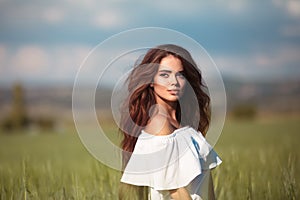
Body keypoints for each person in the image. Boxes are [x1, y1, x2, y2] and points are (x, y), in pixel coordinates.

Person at [119, 44, 222, 200]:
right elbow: (177, 191)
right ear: (151, 81)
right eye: (165, 75)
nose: (174, 81)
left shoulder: (183, 124)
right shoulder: (159, 124)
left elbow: (206, 186)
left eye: (180, 75)